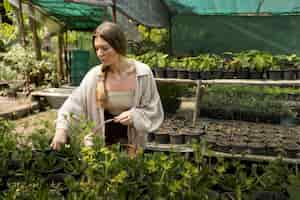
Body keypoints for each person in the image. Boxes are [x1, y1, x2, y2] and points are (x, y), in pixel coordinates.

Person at [50, 21, 164, 154]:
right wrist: (61, 130)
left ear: (118, 46)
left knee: (129, 172)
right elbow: (73, 104)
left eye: (104, 48)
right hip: (100, 143)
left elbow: (154, 109)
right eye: (97, 49)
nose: (99, 53)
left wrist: (135, 116)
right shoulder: (94, 76)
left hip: (133, 143)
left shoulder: (142, 74)